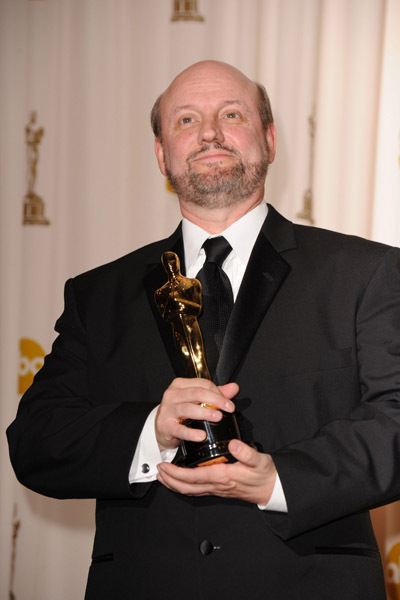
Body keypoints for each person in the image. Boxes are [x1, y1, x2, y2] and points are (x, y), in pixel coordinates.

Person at [7, 60, 400, 599]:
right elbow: (36, 440)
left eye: (231, 114)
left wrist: (278, 479)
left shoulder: (365, 273)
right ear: (161, 153)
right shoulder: (97, 296)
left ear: (269, 138)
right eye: (186, 120)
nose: (210, 132)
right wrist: (151, 430)